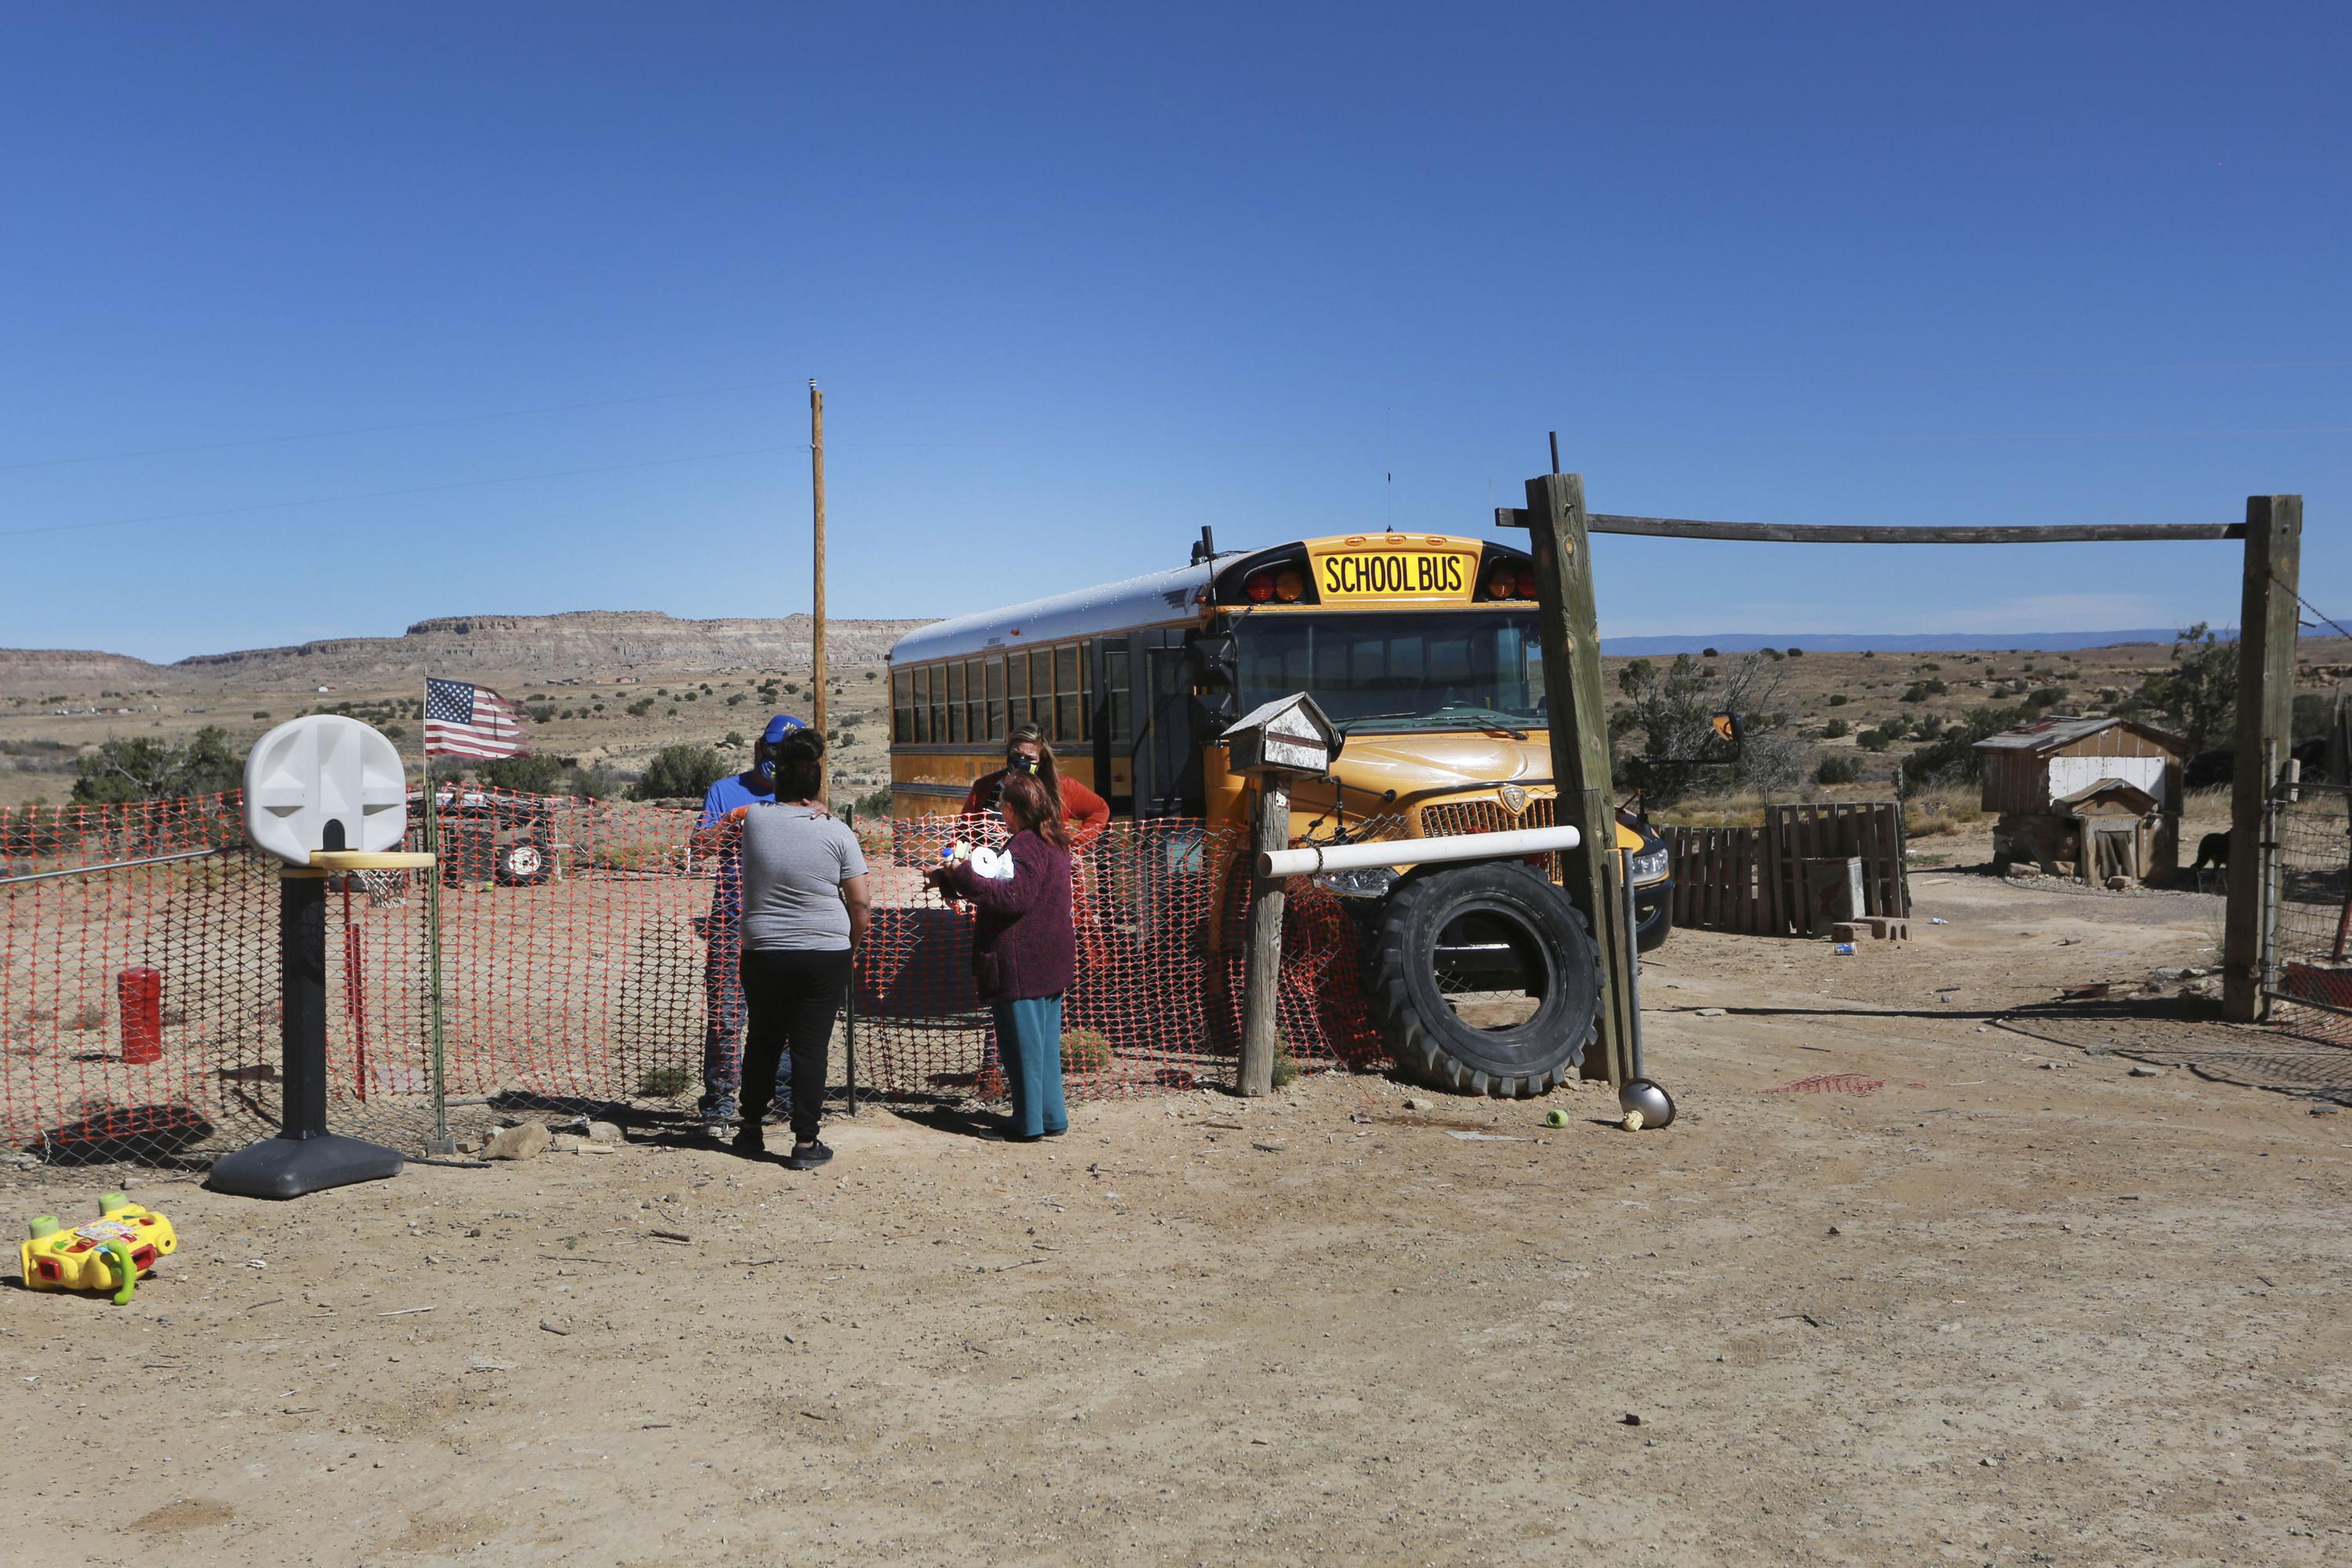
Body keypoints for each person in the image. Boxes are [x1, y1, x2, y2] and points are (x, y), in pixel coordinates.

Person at [728, 728, 870, 1169]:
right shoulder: (838, 832)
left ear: (778, 780)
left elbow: (723, 821)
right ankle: (806, 1143)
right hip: (824, 951)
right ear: (816, 785)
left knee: (763, 1039)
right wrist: (853, 945)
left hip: (764, 948)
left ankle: (749, 1130)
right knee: (810, 1047)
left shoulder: (752, 818)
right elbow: (860, 903)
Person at [927, 771, 1076, 1142]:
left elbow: (1013, 898)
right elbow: (1002, 883)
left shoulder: (1026, 844)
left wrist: (961, 872)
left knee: (1021, 1048)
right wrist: (951, 880)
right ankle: (1051, 1116)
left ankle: (1027, 1125)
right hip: (1048, 959)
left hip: (1021, 962)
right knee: (1043, 1048)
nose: (1000, 813)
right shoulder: (1054, 840)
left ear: (1010, 808)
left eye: (1001, 807)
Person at [694, 713, 811, 1127]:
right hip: (731, 922)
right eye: (772, 749)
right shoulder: (725, 791)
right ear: (761, 746)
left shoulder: (802, 797)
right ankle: (720, 1102)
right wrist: (731, 822)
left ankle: (779, 1099)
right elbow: (699, 845)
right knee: (726, 1016)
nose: (776, 759)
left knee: (781, 1017)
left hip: (784, 922)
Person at [960, 724, 1110, 840]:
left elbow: (1100, 809)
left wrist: (1076, 844)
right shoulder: (985, 788)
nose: (1021, 762)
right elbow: (962, 833)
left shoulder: (1060, 787)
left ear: (1041, 760)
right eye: (1016, 755)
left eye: (1030, 758)